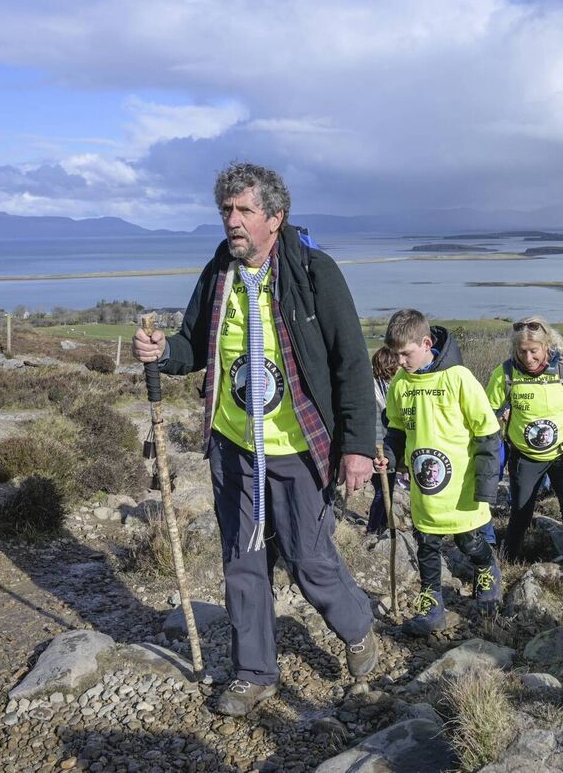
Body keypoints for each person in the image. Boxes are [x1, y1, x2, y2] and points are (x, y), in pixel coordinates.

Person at [131, 162, 379, 716]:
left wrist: (359, 445)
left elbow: (351, 363)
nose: (232, 221)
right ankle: (253, 672)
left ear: (275, 217)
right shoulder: (219, 271)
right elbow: (195, 345)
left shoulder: (315, 273)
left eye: (244, 210)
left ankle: (358, 628)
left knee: (309, 557)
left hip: (298, 446)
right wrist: (162, 353)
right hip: (234, 445)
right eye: (226, 211)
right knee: (243, 561)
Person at [377, 310, 502, 635]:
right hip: (425, 491)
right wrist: (389, 458)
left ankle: (487, 568)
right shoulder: (400, 385)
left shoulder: (458, 378)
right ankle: (431, 604)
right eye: (396, 355)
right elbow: (396, 432)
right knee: (427, 546)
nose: (401, 361)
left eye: (407, 353)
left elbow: (488, 432)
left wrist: (487, 487)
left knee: (469, 541)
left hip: (461, 489)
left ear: (427, 343)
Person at [488, 316, 563, 603]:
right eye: (522, 352)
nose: (528, 358)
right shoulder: (505, 374)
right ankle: (507, 564)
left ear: (548, 346)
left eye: (535, 351)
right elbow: (486, 416)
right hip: (526, 455)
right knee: (520, 512)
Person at [367, 347, 400, 534]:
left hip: (385, 446)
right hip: (379, 446)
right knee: (382, 490)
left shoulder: (385, 386)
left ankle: (381, 525)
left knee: (386, 489)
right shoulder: (375, 389)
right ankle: (373, 528)